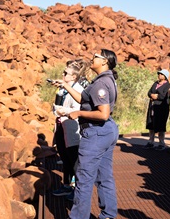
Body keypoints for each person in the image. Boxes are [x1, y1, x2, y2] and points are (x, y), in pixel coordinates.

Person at [55, 49, 119, 219]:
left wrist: (79, 114)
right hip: (106, 130)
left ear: (105, 61)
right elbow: (83, 99)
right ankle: (108, 214)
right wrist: (65, 85)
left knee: (84, 178)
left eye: (96, 57)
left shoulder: (100, 84)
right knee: (104, 176)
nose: (92, 58)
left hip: (96, 132)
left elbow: (103, 113)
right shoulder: (105, 79)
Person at [51, 62, 86, 199]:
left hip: (72, 129)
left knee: (74, 160)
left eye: (65, 73)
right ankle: (66, 185)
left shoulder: (77, 90)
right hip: (62, 127)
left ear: (73, 77)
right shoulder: (63, 89)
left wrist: (63, 111)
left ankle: (78, 191)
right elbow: (57, 106)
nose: (62, 74)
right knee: (65, 157)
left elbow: (79, 109)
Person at [144, 69, 170, 150]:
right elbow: (149, 92)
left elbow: (165, 95)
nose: (159, 75)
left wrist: (157, 97)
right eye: (159, 74)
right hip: (152, 107)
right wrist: (151, 95)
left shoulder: (168, 86)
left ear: (165, 76)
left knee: (161, 125)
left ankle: (161, 143)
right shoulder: (155, 83)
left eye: (161, 74)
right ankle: (151, 142)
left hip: (161, 108)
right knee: (151, 124)